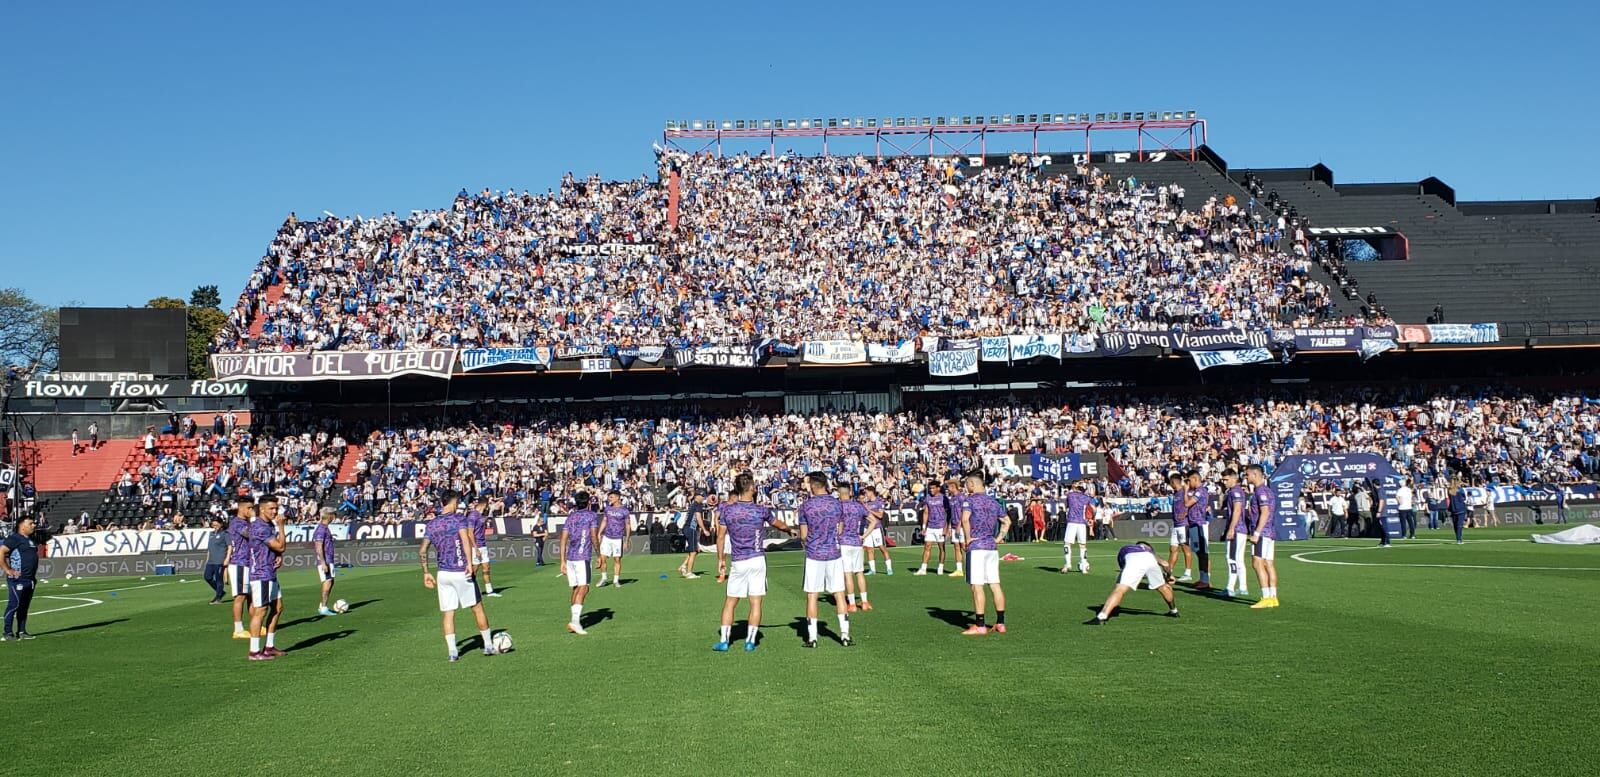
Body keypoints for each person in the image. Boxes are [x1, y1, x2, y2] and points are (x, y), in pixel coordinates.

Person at [711, 473, 794, 652]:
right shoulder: (760, 510)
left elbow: (720, 536)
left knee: (730, 602)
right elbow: (779, 524)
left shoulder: (728, 510)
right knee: (755, 602)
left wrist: (720, 559)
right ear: (751, 488)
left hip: (739, 561)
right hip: (757, 559)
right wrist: (789, 530)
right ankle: (750, 641)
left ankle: (725, 641)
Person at [418, 490, 495, 662]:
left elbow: (422, 550)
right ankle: (488, 645)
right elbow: (465, 540)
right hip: (460, 571)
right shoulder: (458, 518)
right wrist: (469, 562)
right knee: (477, 608)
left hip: (443, 574)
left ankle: (453, 652)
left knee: (448, 613)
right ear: (454, 502)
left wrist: (425, 573)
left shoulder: (432, 524)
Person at [797, 472, 850, 648]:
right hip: (834, 553)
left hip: (814, 554)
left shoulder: (806, 506)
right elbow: (840, 530)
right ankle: (845, 635)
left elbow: (804, 535)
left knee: (812, 595)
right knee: (839, 594)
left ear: (813, 485)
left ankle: (812, 638)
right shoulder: (837, 504)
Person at [959, 472, 1010, 635]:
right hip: (991, 546)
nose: (966, 488)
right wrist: (999, 538)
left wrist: (967, 539)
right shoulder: (993, 502)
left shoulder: (969, 500)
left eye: (967, 484)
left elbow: (965, 519)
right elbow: (1007, 521)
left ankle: (980, 625)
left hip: (977, 546)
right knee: (995, 584)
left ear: (972, 484)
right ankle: (1000, 623)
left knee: (977, 585)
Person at [1083, 542, 1179, 625]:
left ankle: (1102, 617)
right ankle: (1174, 611)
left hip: (1132, 559)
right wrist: (1168, 576)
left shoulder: (1127, 548)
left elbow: (1125, 578)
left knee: (1120, 589)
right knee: (1163, 587)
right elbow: (1166, 564)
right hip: (1150, 560)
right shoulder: (1149, 551)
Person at [246, 495, 287, 660]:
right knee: (260, 611)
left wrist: (277, 555)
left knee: (278, 608)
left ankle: (269, 647)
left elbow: (276, 549)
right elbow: (281, 546)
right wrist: (282, 527)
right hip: (261, 574)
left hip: (269, 572)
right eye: (271, 508)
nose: (275, 511)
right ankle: (254, 651)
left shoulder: (267, 525)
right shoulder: (260, 527)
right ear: (261, 509)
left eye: (276, 508)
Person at [559, 492, 602, 635]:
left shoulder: (571, 516)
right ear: (589, 501)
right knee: (584, 588)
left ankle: (574, 619)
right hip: (582, 557)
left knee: (576, 588)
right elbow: (594, 536)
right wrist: (599, 554)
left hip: (570, 558)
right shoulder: (591, 516)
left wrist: (562, 561)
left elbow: (563, 539)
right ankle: (575, 622)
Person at [1245, 466, 1280, 609]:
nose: (1246, 477)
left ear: (1255, 474)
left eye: (1247, 475)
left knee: (1257, 563)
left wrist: (1256, 533)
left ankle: (1265, 597)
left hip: (1262, 533)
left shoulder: (1260, 491)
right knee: (1268, 564)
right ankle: (1273, 597)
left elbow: (1264, 512)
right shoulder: (1268, 491)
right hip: (1269, 532)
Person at [836, 483, 874, 613]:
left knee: (848, 574)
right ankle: (864, 602)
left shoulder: (838, 507)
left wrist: (838, 535)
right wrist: (863, 536)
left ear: (839, 493)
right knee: (859, 573)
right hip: (857, 542)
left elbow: (840, 526)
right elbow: (873, 521)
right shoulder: (858, 506)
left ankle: (851, 604)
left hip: (844, 543)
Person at [2, 515, 40, 641]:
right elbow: (1, 552)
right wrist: (8, 569)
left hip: (30, 579)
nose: (34, 525)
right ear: (22, 525)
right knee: (14, 605)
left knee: (24, 607)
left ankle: (22, 631)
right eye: (31, 523)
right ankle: (7, 632)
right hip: (17, 579)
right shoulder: (15, 538)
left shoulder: (30, 540)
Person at [226, 498, 254, 639]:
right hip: (239, 562)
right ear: (241, 508)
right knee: (240, 596)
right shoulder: (237, 523)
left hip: (248, 562)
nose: (251, 511)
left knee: (251, 596)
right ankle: (238, 629)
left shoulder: (246, 522)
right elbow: (252, 535)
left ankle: (255, 625)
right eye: (249, 508)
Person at [1220, 469, 1251, 598]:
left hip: (1237, 529)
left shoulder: (1235, 492)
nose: (1224, 482)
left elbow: (1237, 510)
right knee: (1239, 559)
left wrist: (1231, 528)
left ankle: (1230, 587)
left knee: (1231, 558)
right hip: (1241, 530)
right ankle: (1243, 587)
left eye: (1226, 479)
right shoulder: (1234, 492)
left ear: (1234, 478)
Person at [464, 497, 500, 597]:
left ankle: (489, 591)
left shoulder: (480, 515)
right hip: (476, 546)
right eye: (488, 504)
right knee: (474, 570)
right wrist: (475, 548)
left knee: (486, 567)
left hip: (483, 545)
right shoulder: (472, 516)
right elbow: (470, 533)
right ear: (484, 504)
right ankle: (470, 591)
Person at [914, 481, 950, 576]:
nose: (931, 490)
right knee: (927, 546)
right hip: (930, 526)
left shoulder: (944, 498)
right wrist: (924, 527)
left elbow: (948, 514)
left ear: (938, 488)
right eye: (930, 488)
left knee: (941, 548)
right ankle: (923, 568)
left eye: (933, 488)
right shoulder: (928, 498)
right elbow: (926, 512)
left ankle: (940, 567)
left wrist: (946, 527)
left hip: (940, 526)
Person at [1184, 470, 1212, 588]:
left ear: (1195, 479)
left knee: (1203, 552)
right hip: (1194, 523)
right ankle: (1203, 578)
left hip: (1199, 523)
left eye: (1189, 480)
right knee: (1199, 552)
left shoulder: (1200, 491)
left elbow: (1187, 504)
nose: (1188, 483)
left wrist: (1185, 491)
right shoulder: (1198, 491)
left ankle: (1206, 580)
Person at [596, 491, 629, 588]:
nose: (609, 499)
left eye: (611, 497)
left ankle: (616, 580)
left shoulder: (624, 511)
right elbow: (604, 521)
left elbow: (627, 525)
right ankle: (604, 578)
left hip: (618, 538)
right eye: (609, 497)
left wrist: (626, 540)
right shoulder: (607, 509)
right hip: (607, 537)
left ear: (618, 498)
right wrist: (599, 533)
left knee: (617, 559)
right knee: (602, 559)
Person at [1166, 473, 1194, 582]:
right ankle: (1169, 571)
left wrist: (1186, 513)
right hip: (1176, 524)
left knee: (1185, 548)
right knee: (1173, 549)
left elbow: (1191, 504)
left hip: (1183, 524)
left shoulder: (1184, 492)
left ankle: (1188, 572)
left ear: (1173, 482)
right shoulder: (1176, 494)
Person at [1061, 481, 1093, 574]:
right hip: (1082, 523)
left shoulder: (1070, 495)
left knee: (1067, 543)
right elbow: (1092, 508)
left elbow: (1067, 505)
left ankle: (1068, 564)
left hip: (1072, 522)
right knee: (1082, 545)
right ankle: (1083, 566)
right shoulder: (1087, 498)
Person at [861, 486, 891, 575]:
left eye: (866, 492)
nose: (865, 494)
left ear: (871, 492)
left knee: (882, 548)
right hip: (867, 528)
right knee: (869, 549)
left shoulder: (879, 502)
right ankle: (872, 570)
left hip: (877, 528)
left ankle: (889, 568)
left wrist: (869, 510)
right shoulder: (866, 503)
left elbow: (880, 515)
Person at [313, 508, 338, 615]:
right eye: (334, 514)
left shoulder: (325, 528)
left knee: (330, 581)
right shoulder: (321, 529)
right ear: (329, 516)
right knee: (327, 582)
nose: (335, 517)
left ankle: (322, 605)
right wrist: (323, 563)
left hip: (328, 559)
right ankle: (323, 607)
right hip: (325, 560)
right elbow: (318, 547)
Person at [678, 491, 706, 579]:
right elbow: (698, 517)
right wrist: (704, 529)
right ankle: (689, 573)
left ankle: (683, 566)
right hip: (691, 529)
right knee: (693, 551)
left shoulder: (693, 504)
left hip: (687, 528)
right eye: (702, 496)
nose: (703, 498)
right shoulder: (697, 505)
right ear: (697, 496)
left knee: (695, 550)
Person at [203, 517, 229, 604]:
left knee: (219, 579)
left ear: (221, 524)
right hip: (211, 561)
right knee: (207, 577)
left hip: (220, 560)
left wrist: (227, 558)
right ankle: (220, 592)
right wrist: (207, 559)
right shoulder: (211, 534)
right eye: (213, 525)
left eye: (216, 524)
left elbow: (230, 547)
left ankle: (218, 598)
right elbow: (209, 548)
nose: (215, 526)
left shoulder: (225, 534)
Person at [945, 478, 967, 578]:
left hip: (961, 526)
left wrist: (959, 525)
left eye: (948, 487)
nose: (947, 489)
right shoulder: (952, 499)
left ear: (953, 486)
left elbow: (964, 512)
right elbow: (951, 514)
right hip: (953, 525)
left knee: (964, 546)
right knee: (956, 547)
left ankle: (973, 566)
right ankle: (959, 569)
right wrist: (949, 526)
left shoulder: (961, 497)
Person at [1448, 478, 1469, 545]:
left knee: (1455, 525)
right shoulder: (1460, 490)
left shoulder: (1449, 490)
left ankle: (1458, 538)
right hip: (1461, 509)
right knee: (1459, 525)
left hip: (1453, 509)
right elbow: (1464, 498)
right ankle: (1459, 539)